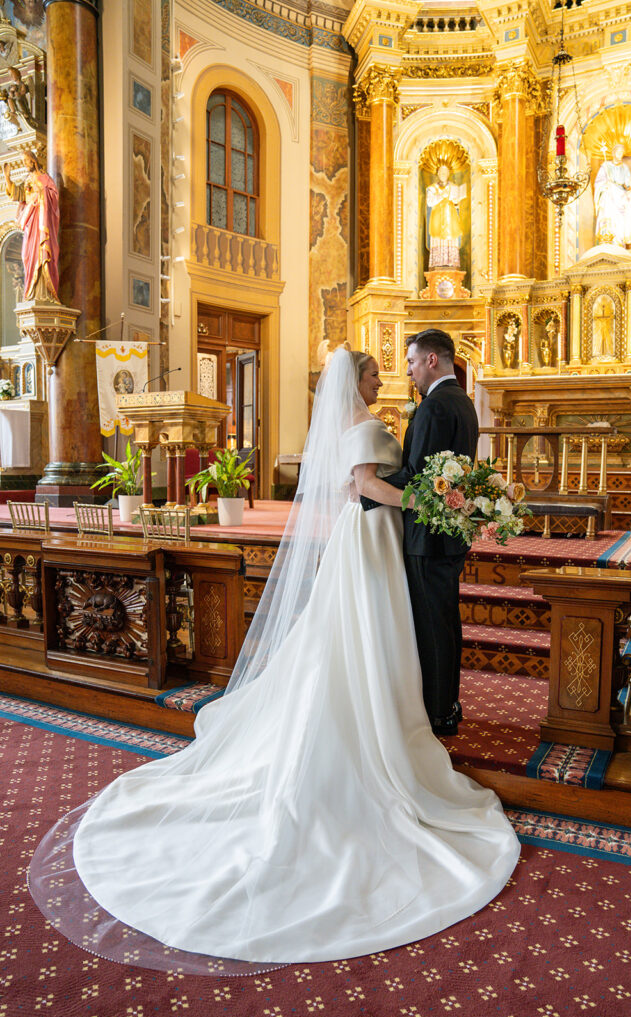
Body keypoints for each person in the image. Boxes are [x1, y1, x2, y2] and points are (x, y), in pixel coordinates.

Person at [31, 347, 519, 969]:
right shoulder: (367, 425)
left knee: (360, 637)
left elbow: (358, 482)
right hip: (372, 535)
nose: (379, 380)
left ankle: (385, 714)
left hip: (368, 537)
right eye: (372, 373)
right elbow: (367, 484)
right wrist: (435, 503)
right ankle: (379, 726)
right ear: (356, 380)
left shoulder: (364, 421)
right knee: (365, 634)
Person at [363, 329, 478, 735]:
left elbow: (418, 477)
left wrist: (365, 489)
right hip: (449, 532)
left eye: (411, 362)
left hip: (428, 536)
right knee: (445, 621)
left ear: (432, 360)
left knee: (432, 626)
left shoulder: (433, 407)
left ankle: (437, 712)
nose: (408, 371)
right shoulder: (463, 401)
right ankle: (447, 704)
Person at [2, 150, 59, 301]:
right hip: (30, 225)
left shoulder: (45, 178)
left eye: (26, 162)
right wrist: (7, 178)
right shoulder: (27, 180)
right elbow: (16, 194)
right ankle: (31, 292)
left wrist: (41, 196)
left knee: (43, 254)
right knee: (27, 255)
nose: (25, 165)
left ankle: (45, 293)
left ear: (33, 161)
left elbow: (54, 196)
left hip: (42, 222)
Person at [593, 143, 631, 250]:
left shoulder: (624, 168)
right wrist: (605, 185)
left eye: (622, 152)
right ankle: (608, 240)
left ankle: (620, 242)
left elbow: (628, 184)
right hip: (609, 196)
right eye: (618, 152)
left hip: (621, 197)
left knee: (622, 220)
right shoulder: (606, 166)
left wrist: (630, 186)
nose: (620, 154)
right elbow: (598, 183)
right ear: (613, 153)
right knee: (609, 214)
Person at [426, 163, 466, 269]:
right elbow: (430, 202)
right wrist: (441, 195)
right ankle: (438, 263)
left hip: (450, 218)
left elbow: (457, 204)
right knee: (438, 237)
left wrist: (457, 201)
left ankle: (451, 263)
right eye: (441, 172)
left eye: (445, 172)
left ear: (448, 174)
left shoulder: (454, 187)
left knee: (451, 238)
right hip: (437, 218)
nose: (443, 174)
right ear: (437, 174)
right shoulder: (432, 188)